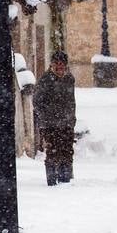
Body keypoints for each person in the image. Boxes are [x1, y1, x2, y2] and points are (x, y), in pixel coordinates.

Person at [34, 50, 77, 186]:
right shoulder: (45, 80)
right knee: (53, 152)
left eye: (62, 64)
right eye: (56, 64)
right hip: (50, 124)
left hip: (66, 123)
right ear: (52, 65)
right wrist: (46, 117)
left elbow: (71, 101)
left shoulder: (69, 79)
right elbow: (37, 101)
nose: (59, 67)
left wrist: (71, 118)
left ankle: (66, 178)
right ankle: (52, 180)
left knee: (67, 151)